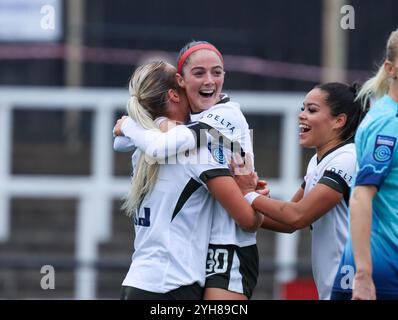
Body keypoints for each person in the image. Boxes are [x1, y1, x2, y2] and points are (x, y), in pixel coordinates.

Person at [114, 41, 280, 299]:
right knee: (293, 219)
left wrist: (130, 126)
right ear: (177, 88)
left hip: (145, 277)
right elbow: (248, 220)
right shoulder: (193, 147)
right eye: (198, 74)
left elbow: (125, 142)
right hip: (175, 282)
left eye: (217, 72)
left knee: (295, 218)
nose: (209, 81)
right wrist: (254, 198)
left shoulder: (146, 145)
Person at [230, 82, 367, 300]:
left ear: (339, 121)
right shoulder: (317, 161)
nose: (301, 115)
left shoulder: (348, 158)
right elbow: (286, 222)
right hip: (334, 289)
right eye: (303, 108)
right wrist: (235, 204)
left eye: (312, 110)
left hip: (354, 288)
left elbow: (297, 216)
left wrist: (249, 194)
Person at [331, 29, 398, 300]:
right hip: (380, 275)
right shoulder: (388, 123)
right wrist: (363, 275)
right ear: (390, 68)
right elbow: (360, 196)